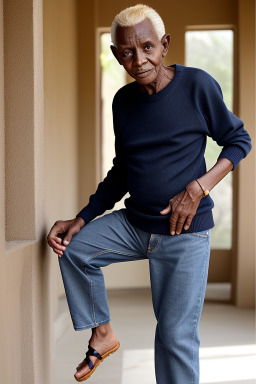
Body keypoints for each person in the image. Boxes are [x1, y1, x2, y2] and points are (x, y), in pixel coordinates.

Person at [47, 4, 252, 383]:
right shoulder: (123, 103)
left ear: (164, 44)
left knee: (175, 337)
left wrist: (199, 186)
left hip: (184, 234)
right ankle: (103, 334)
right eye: (126, 52)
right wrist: (82, 217)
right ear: (116, 55)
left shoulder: (197, 86)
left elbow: (239, 140)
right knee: (74, 249)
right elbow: (122, 170)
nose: (138, 60)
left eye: (147, 47)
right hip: (133, 224)